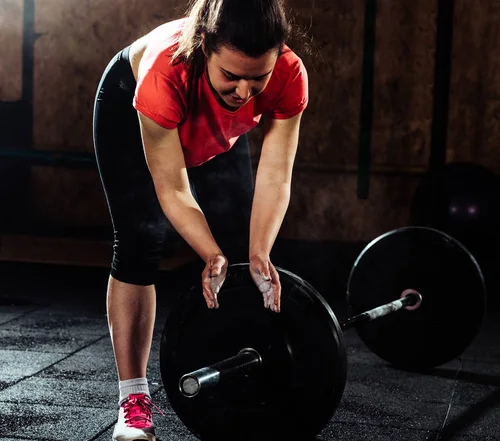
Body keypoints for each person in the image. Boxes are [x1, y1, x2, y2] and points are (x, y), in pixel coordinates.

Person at [92, 0, 309, 439]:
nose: (246, 93)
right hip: (130, 108)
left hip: (213, 132)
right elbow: (172, 187)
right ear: (204, 48)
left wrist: (259, 250)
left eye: (258, 78)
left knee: (241, 251)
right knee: (141, 241)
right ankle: (132, 401)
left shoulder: (289, 74)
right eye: (231, 76)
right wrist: (207, 254)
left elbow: (275, 174)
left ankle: (234, 377)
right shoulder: (164, 72)